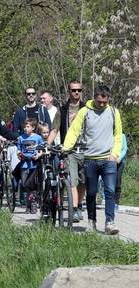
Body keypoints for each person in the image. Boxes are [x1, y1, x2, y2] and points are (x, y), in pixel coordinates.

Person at [63, 85, 123, 235]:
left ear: (108, 99)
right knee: (91, 193)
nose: (101, 104)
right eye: (98, 101)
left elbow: (118, 135)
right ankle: (92, 222)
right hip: (90, 159)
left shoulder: (114, 112)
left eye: (104, 101)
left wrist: (115, 154)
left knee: (110, 191)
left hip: (108, 159)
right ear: (94, 98)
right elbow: (74, 131)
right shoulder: (85, 112)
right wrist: (66, 148)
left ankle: (110, 222)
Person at [59, 80, 86, 222]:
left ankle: (79, 204)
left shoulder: (87, 108)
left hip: (86, 150)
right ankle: (74, 209)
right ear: (68, 91)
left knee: (83, 182)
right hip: (69, 151)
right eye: (73, 90)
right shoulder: (63, 110)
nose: (76, 93)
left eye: (79, 90)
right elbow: (54, 128)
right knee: (73, 180)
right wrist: (47, 144)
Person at [16, 118, 44, 214]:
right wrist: (19, 154)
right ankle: (28, 204)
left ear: (33, 127)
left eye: (27, 127)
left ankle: (33, 203)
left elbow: (42, 149)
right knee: (25, 185)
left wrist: (39, 155)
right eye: (24, 126)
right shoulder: (20, 138)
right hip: (24, 164)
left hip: (34, 164)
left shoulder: (38, 138)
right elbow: (18, 149)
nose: (25, 128)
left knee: (33, 185)